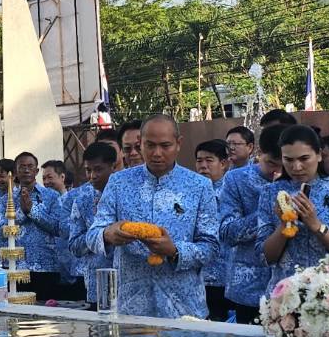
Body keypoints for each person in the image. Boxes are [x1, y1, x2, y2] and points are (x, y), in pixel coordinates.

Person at [86, 114, 220, 318]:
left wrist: (175, 251)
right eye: (150, 145)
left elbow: (211, 247)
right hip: (132, 306)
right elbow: (92, 235)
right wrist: (108, 234)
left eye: (165, 146)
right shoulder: (119, 182)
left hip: (184, 308)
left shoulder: (199, 186)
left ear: (178, 143)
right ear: (140, 143)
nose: (157, 153)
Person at [257, 125, 329, 292]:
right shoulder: (271, 192)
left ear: (319, 155)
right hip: (285, 294)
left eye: (304, 158)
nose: (296, 167)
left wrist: (316, 225)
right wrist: (284, 226)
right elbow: (264, 258)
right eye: (288, 160)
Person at [0, 152, 71, 301]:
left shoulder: (51, 196)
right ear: (15, 172)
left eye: (30, 166)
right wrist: (21, 213)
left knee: (45, 312)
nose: (26, 170)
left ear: (36, 171)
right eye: (22, 167)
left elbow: (58, 228)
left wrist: (32, 211)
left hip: (44, 267)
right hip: (13, 269)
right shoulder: (5, 198)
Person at [219, 126, 284, 324]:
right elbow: (227, 232)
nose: (278, 171)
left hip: (289, 287)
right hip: (249, 289)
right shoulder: (236, 179)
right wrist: (268, 208)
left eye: (284, 164)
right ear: (259, 153)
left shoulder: (299, 180)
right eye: (271, 163)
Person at [65, 140, 121, 308]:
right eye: (88, 170)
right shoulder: (82, 199)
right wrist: (101, 237)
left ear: (113, 166)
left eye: (98, 169)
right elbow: (74, 245)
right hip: (98, 286)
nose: (92, 176)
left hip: (130, 284)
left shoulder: (128, 194)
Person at [194, 139, 234, 322]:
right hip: (200, 276)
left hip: (226, 277)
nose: (203, 166)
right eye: (199, 160)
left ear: (223, 164)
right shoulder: (192, 191)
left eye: (209, 160)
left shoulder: (231, 191)